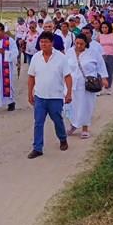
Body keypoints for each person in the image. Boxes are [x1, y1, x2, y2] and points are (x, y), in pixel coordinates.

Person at [27, 31, 72, 159]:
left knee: (57, 120)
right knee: (38, 122)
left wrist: (68, 92)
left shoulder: (61, 58)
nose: (44, 44)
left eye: (46, 42)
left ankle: (63, 139)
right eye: (42, 42)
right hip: (40, 96)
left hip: (55, 97)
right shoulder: (36, 57)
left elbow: (68, 76)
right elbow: (31, 77)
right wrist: (30, 93)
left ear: (52, 43)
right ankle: (37, 148)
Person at [66, 34, 109, 138]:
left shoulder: (93, 53)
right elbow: (64, 67)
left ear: (86, 44)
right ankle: (73, 125)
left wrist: (104, 78)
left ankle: (85, 128)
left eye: (81, 44)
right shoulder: (69, 52)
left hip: (87, 85)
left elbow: (101, 65)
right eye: (77, 43)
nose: (79, 46)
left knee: (86, 106)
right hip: (71, 84)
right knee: (71, 106)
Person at [97, 22, 113, 95]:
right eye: (102, 27)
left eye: (106, 27)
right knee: (100, 73)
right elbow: (96, 46)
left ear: (109, 28)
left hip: (111, 55)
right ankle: (100, 88)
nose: (104, 29)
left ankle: (108, 87)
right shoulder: (99, 36)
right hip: (101, 56)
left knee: (109, 72)